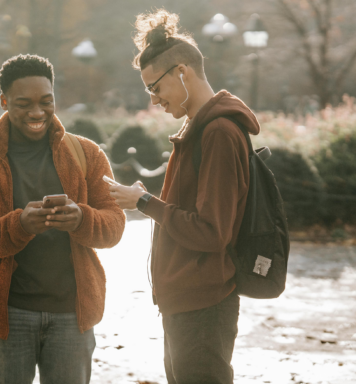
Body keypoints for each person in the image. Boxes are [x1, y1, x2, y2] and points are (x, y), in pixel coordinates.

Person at [108, 10, 262, 384]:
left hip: (204, 303)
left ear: (182, 72)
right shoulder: (199, 128)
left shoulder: (219, 132)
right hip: (187, 302)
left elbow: (212, 232)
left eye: (155, 88)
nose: (154, 100)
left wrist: (143, 203)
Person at [0, 54, 126, 384]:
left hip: (72, 315)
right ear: (4, 101)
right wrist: (17, 226)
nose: (37, 112)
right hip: (7, 314)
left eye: (46, 102)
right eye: (24, 103)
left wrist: (81, 219)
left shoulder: (86, 154)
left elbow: (115, 225)